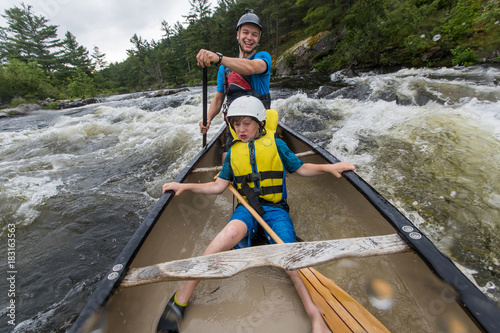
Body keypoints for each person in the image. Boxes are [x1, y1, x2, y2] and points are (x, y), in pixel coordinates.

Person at [159, 96, 356, 333]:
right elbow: (218, 186)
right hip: (247, 208)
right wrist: (185, 187)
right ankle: (180, 301)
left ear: (260, 123)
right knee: (223, 238)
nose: (240, 130)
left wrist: (329, 167)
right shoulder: (232, 153)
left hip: (275, 210)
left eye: (246, 124)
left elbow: (301, 168)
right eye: (236, 124)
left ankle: (315, 314)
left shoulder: (277, 145)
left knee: (288, 253)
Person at [196, 9, 271, 153]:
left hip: (259, 128)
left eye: (254, 34)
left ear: (258, 38)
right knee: (228, 161)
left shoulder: (263, 57)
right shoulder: (224, 68)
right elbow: (218, 99)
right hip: (235, 129)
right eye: (246, 32)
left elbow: (250, 68)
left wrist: (219, 58)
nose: (249, 37)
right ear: (238, 34)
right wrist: (208, 118)